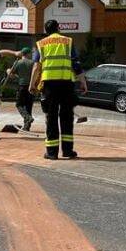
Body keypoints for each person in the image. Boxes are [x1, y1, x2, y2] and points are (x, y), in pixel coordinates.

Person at [30, 20, 86, 160]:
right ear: (58, 28)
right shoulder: (68, 42)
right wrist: (83, 82)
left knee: (51, 117)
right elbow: (76, 64)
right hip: (67, 84)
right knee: (67, 117)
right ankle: (67, 151)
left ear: (46, 30)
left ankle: (51, 153)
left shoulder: (41, 44)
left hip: (49, 86)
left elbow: (36, 67)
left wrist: (31, 84)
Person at [7, 47, 36, 131]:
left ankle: (27, 117)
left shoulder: (18, 63)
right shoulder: (33, 63)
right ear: (28, 54)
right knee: (28, 106)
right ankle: (27, 126)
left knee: (19, 105)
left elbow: (11, 75)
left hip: (22, 86)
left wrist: (8, 71)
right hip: (31, 87)